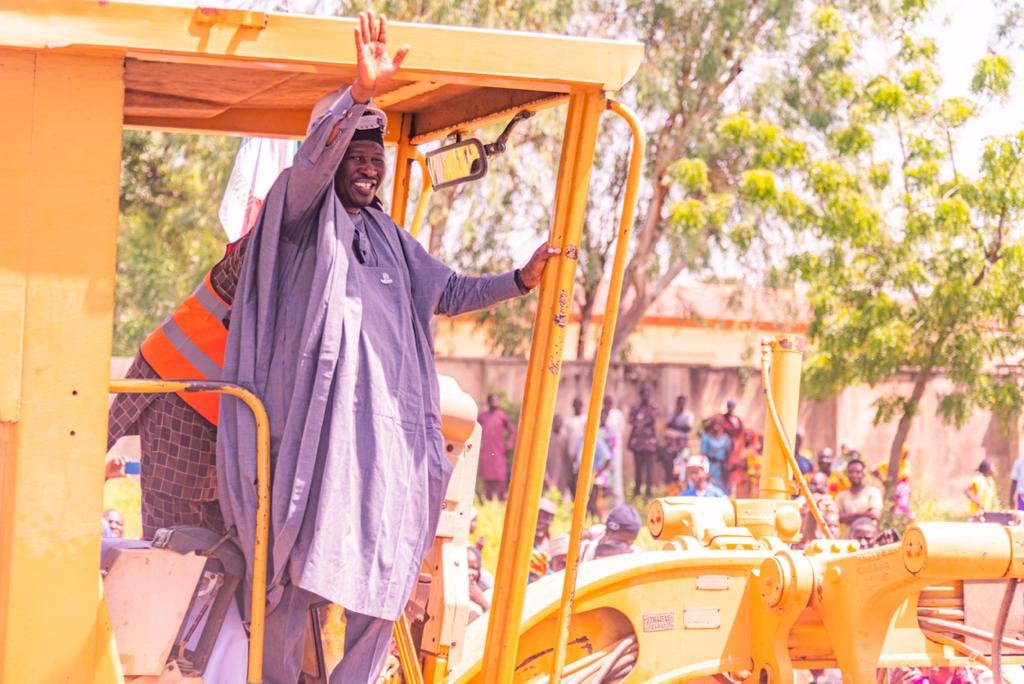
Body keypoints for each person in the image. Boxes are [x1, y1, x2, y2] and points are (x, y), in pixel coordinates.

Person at [214, 13, 560, 682]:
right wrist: (358, 96)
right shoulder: (300, 214)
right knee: (290, 579)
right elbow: (312, 163)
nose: (370, 167)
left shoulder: (390, 237)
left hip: (387, 452)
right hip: (313, 445)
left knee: (385, 581)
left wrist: (522, 279)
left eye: (378, 157)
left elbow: (450, 291)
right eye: (359, 155)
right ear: (334, 153)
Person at [478, 393, 515, 501]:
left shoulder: (502, 416)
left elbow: (512, 431)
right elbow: (474, 428)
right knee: (487, 479)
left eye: (496, 400)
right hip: (486, 452)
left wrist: (509, 443)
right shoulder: (482, 416)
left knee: (500, 478)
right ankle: (487, 501)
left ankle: (501, 501)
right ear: (488, 402)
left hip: (498, 451)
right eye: (492, 400)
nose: (495, 402)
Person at [628, 386, 660, 498]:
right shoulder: (635, 408)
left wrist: (641, 422)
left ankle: (648, 493)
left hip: (650, 445)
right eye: (644, 394)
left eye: (648, 394)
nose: (646, 397)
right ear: (641, 395)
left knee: (649, 470)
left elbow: (653, 420)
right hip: (638, 444)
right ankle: (637, 492)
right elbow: (631, 421)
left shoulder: (653, 407)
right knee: (638, 470)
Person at [834, 458, 882, 530]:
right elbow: (838, 518)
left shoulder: (873, 492)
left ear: (863, 473)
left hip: (868, 536)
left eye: (858, 472)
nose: (854, 475)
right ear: (847, 474)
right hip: (847, 538)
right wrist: (865, 514)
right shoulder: (841, 496)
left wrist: (848, 516)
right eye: (851, 472)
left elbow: (875, 515)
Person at [603, 394, 627, 505]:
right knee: (604, 474)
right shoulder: (600, 412)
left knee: (616, 473)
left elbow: (621, 430)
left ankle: (618, 501)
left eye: (610, 402)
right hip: (603, 449)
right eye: (606, 402)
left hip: (615, 449)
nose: (608, 404)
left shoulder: (617, 414)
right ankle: (605, 500)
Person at [699, 416, 732, 491]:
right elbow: (703, 455)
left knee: (723, 490)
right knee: (710, 488)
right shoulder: (706, 438)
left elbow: (729, 455)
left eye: (718, 423)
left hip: (723, 468)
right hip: (710, 466)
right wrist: (704, 471)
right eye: (715, 422)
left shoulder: (726, 438)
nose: (716, 425)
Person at [545, 413, 573, 497]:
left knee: (561, 493)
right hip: (550, 468)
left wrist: (569, 472)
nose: (558, 423)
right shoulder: (547, 436)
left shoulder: (565, 436)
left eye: (560, 421)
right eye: (556, 421)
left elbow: (567, 455)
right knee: (549, 491)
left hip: (562, 471)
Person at [466, 546, 489, 622]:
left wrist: (483, 603)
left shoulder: (486, 596)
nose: (471, 572)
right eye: (467, 566)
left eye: (475, 568)